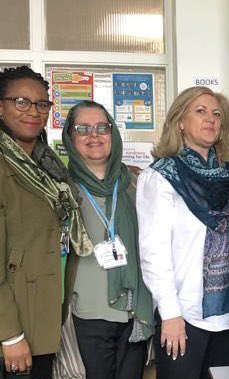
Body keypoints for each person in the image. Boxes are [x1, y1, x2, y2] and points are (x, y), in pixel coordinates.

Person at [0, 66, 92, 379]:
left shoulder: (46, 167)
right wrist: (10, 336)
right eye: (21, 102)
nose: (33, 112)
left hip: (41, 318)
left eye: (42, 104)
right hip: (11, 333)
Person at [137, 87, 229, 379]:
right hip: (183, 315)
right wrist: (170, 314)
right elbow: (153, 253)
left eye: (217, 114)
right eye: (200, 111)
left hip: (228, 315)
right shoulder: (161, 176)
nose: (210, 119)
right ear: (180, 121)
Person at [62, 100, 154, 379]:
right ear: (70, 136)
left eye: (102, 127)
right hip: (88, 311)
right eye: (83, 128)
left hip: (133, 310)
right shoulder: (62, 188)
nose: (94, 135)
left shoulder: (137, 183)